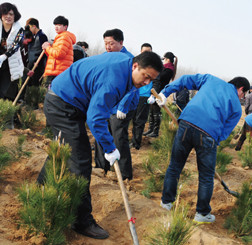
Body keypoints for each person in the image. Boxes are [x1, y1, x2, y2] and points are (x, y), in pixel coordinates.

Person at [36, 51, 162, 239]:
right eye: (146, 77)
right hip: (62, 104)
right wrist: (110, 148)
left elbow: (123, 98)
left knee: (63, 150)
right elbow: (95, 119)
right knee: (81, 160)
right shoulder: (114, 80)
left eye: (151, 80)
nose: (147, 83)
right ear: (135, 66)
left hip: (69, 100)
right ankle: (81, 221)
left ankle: (40, 192)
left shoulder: (126, 66)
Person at [158, 74, 250, 223]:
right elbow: (224, 133)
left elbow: (185, 80)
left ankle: (166, 203)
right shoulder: (237, 108)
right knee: (206, 177)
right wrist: (210, 143)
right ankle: (201, 213)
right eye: (243, 94)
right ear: (241, 89)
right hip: (209, 134)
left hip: (186, 123)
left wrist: (165, 92)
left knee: (174, 166)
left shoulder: (210, 79)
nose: (242, 97)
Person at [94, 28, 137, 180]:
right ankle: (101, 167)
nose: (108, 47)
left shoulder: (130, 60)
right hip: (106, 104)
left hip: (122, 107)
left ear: (121, 43)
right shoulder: (105, 57)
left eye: (111, 43)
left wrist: (122, 106)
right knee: (101, 134)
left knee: (119, 138)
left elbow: (133, 86)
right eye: (106, 43)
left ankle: (125, 174)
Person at [144, 51, 177, 138]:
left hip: (160, 93)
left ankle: (155, 131)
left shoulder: (169, 70)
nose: (163, 61)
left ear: (168, 59)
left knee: (156, 112)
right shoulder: (165, 68)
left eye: (164, 59)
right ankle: (150, 129)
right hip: (156, 91)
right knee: (152, 111)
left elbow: (160, 77)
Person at [130, 43, 153, 149]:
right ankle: (133, 140)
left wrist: (153, 95)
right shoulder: (136, 63)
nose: (146, 54)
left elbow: (157, 82)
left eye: (149, 52)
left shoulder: (153, 66)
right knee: (132, 119)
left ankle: (136, 143)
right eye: (144, 52)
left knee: (139, 120)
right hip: (134, 94)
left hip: (145, 95)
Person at [42, 16, 76, 87]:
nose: (56, 27)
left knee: (51, 96)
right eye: (55, 25)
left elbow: (59, 54)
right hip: (56, 71)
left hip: (57, 72)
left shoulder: (64, 37)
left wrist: (47, 47)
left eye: (59, 25)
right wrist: (47, 49)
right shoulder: (60, 37)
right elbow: (54, 56)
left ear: (65, 27)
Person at [0, 2, 24, 101]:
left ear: (15, 16)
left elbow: (16, 46)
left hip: (10, 63)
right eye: (5, 14)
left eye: (11, 14)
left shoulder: (19, 30)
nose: (8, 16)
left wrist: (4, 56)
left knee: (6, 91)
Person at [26, 18, 48, 87]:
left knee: (34, 85)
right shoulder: (33, 37)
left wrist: (39, 62)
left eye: (29, 27)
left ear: (34, 26)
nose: (29, 30)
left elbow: (45, 52)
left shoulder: (42, 36)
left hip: (37, 66)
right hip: (31, 64)